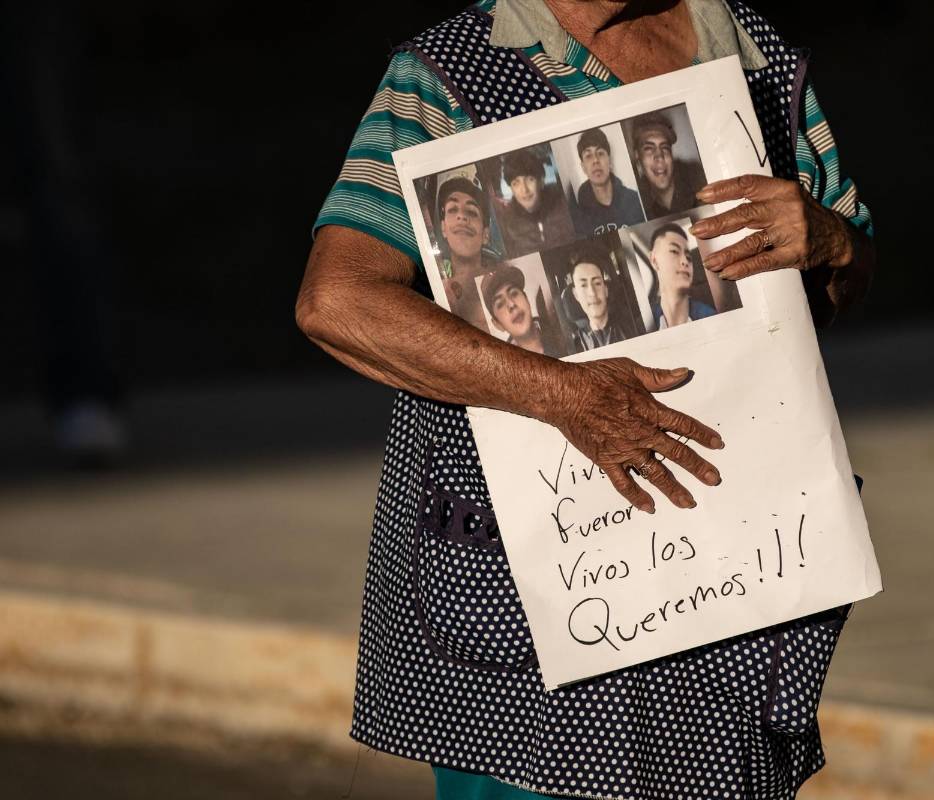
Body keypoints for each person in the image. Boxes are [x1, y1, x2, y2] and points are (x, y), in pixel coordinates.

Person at [297, 0, 877, 797]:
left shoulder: (753, 48)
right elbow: (339, 304)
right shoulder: (444, 74)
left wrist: (832, 241)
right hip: (538, 586)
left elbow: (847, 268)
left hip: (737, 567)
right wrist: (562, 394)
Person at [436, 174, 496, 332]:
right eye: (452, 209)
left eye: (471, 211)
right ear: (443, 228)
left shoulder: (501, 280)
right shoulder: (435, 286)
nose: (461, 216)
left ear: (486, 234)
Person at [494, 148, 574, 256]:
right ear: (511, 188)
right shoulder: (507, 224)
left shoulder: (564, 204)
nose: (524, 189)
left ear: (541, 181)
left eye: (529, 179)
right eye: (516, 183)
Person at [630, 111, 707, 220]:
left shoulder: (697, 178)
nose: (659, 156)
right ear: (637, 156)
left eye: (664, 147)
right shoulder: (635, 201)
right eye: (649, 149)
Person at [569, 127, 646, 236]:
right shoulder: (579, 215)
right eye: (588, 156)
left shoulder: (635, 201)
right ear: (583, 167)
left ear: (609, 161)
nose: (595, 160)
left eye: (600, 153)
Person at [482, 263, 567, 356]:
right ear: (497, 324)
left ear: (526, 299)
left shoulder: (561, 332)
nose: (511, 304)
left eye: (514, 293)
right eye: (500, 304)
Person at [646, 222, 714, 328]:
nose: (685, 261)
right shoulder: (645, 323)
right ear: (654, 260)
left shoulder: (711, 317)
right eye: (674, 251)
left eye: (688, 257)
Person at [566, 246, 635, 350]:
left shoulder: (632, 329)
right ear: (576, 295)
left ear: (606, 290)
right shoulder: (576, 345)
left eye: (597, 283)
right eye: (584, 285)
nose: (592, 293)